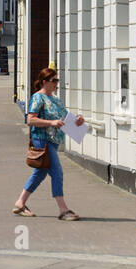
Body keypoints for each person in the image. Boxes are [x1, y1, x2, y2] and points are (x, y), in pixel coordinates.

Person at [12, 67, 83, 219]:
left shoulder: (56, 100)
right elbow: (30, 119)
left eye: (58, 80)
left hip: (53, 142)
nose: (57, 83)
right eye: (54, 81)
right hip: (42, 140)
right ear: (44, 82)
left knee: (41, 172)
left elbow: (65, 119)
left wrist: (77, 121)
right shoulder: (38, 98)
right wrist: (51, 122)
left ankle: (20, 202)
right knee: (57, 172)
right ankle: (63, 210)